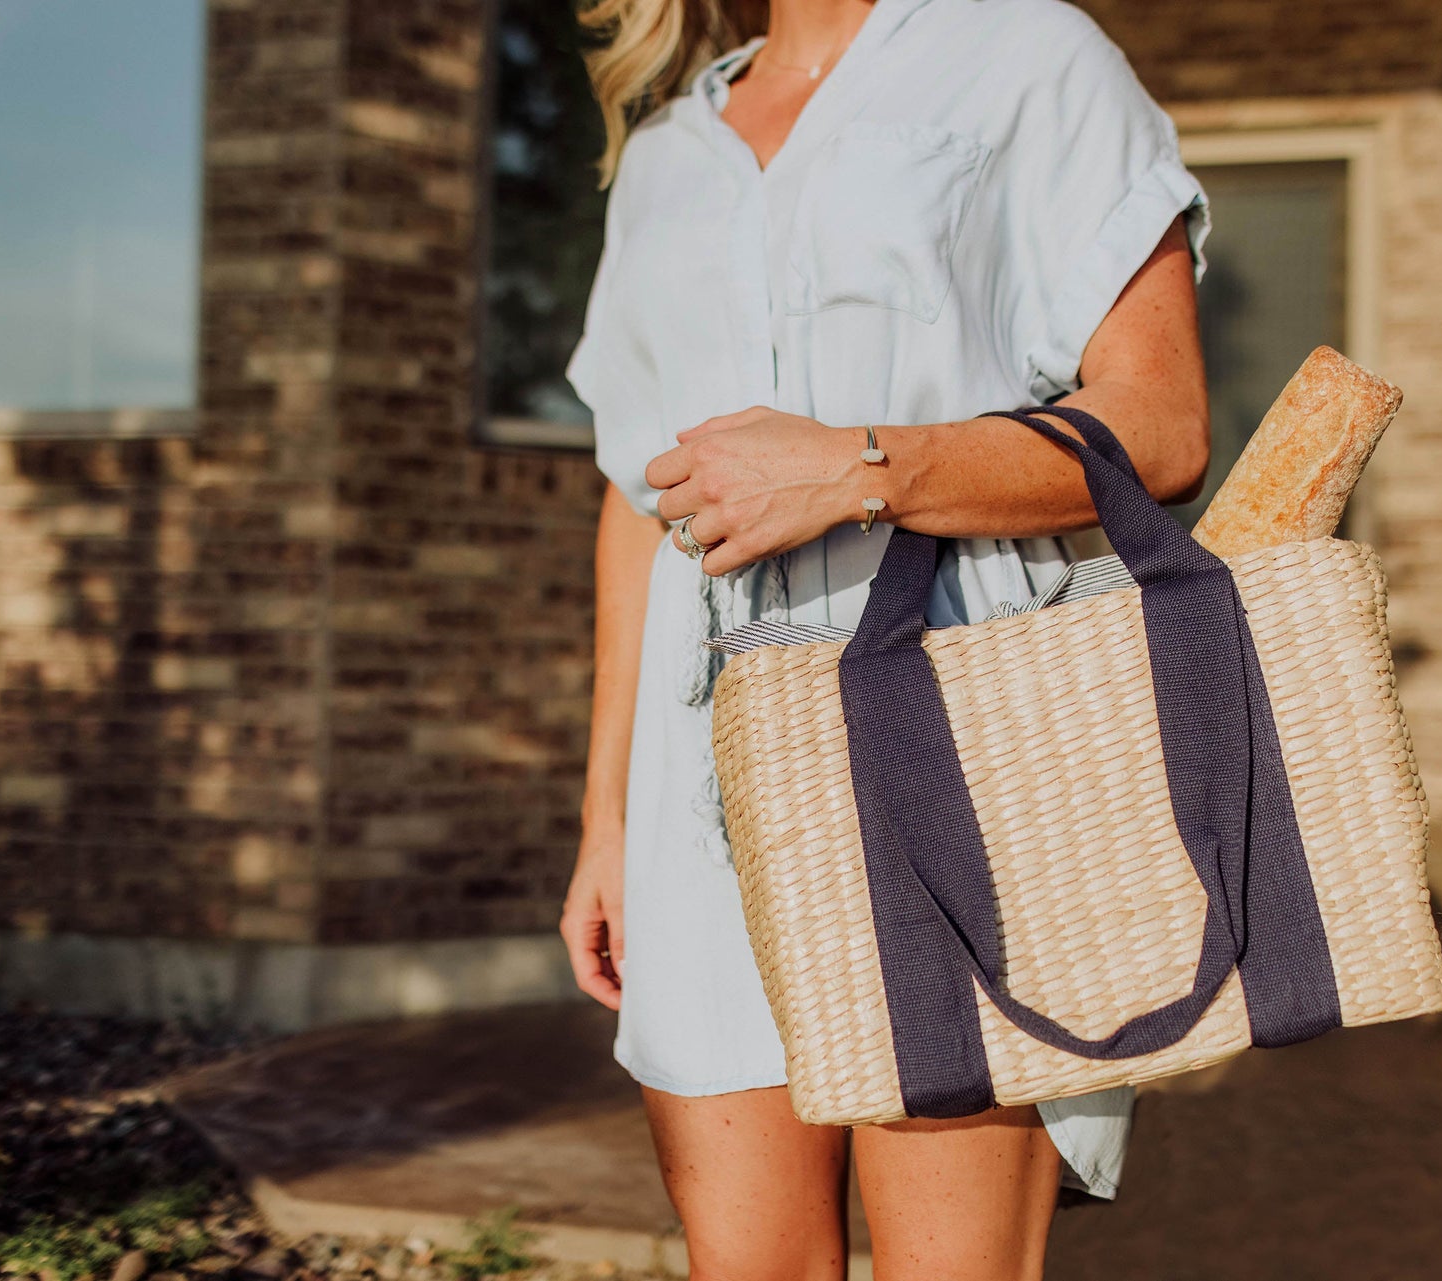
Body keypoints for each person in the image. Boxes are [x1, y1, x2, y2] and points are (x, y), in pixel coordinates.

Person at [558, 0, 1212, 1276]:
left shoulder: (1028, 57)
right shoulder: (667, 154)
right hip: (702, 791)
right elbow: (638, 504)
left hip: (960, 738)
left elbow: (1164, 426)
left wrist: (862, 470)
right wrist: (607, 820)